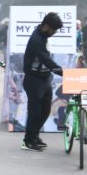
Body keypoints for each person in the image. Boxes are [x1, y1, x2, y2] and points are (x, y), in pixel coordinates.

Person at [21, 12, 64, 151]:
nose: (54, 33)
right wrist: (63, 72)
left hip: (44, 78)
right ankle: (28, 140)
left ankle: (34, 135)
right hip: (34, 79)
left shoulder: (43, 35)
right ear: (46, 26)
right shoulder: (36, 40)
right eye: (53, 30)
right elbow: (46, 60)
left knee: (45, 110)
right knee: (34, 111)